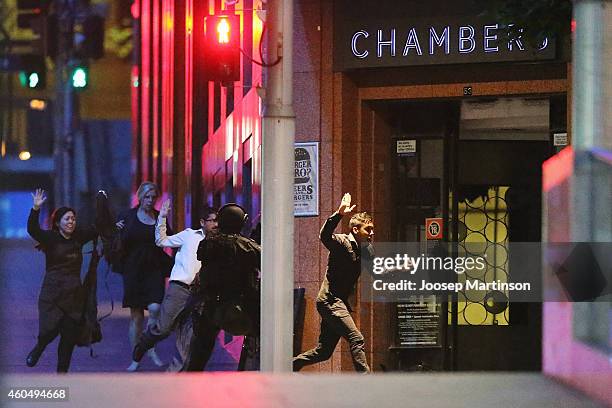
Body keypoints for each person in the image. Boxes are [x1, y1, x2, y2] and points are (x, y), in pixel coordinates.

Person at [25, 189, 106, 373]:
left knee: (69, 337)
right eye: (67, 219)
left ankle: (62, 376)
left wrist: (112, 219)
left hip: (73, 296)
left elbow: (98, 228)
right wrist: (36, 208)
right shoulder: (51, 238)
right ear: (58, 222)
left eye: (73, 219)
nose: (71, 222)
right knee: (49, 331)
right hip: (52, 294)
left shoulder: (78, 236)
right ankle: (39, 348)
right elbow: (33, 229)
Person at [293, 193, 374, 373]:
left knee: (324, 352)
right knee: (356, 338)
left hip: (340, 304)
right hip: (330, 301)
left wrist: (401, 267)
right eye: (368, 229)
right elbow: (324, 235)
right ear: (355, 229)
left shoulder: (367, 249)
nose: (372, 233)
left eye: (372, 229)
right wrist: (339, 213)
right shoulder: (342, 242)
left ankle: (291, 365)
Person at [131, 201, 218, 368]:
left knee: (190, 334)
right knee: (163, 329)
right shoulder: (189, 235)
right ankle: (142, 345)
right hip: (180, 288)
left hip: (200, 293)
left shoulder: (218, 243)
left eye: (216, 221)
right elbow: (161, 241)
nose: (215, 224)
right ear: (202, 222)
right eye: (211, 220)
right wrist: (162, 217)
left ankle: (178, 371)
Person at [187, 203, 261, 371]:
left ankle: (189, 380)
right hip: (240, 304)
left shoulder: (208, 243)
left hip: (209, 304)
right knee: (258, 337)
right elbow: (262, 258)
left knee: (200, 352)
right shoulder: (247, 246)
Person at [116, 181, 172, 371]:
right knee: (137, 317)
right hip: (133, 270)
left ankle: (150, 347)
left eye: (153, 197)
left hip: (154, 269)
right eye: (146, 196)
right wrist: (116, 230)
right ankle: (136, 357)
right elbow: (115, 239)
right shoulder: (128, 216)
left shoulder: (159, 217)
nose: (150, 200)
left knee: (155, 308)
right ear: (140, 197)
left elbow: (169, 240)